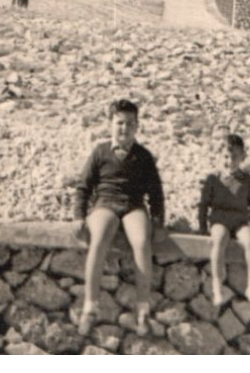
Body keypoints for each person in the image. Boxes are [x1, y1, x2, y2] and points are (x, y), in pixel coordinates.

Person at [73, 99, 164, 337]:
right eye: (119, 123)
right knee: (100, 236)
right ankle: (90, 307)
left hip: (133, 206)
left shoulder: (143, 156)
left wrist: (157, 219)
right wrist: (78, 216)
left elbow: (156, 192)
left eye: (129, 124)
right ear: (111, 124)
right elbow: (83, 186)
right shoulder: (100, 152)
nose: (124, 128)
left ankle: (142, 310)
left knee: (142, 242)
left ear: (137, 126)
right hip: (105, 203)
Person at [198, 133, 250, 307]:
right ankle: (217, 286)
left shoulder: (249, 182)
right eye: (226, 156)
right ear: (220, 156)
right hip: (220, 220)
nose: (230, 161)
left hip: (240, 221)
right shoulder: (213, 180)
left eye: (234, 156)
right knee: (218, 238)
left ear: (243, 157)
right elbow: (203, 205)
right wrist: (203, 227)